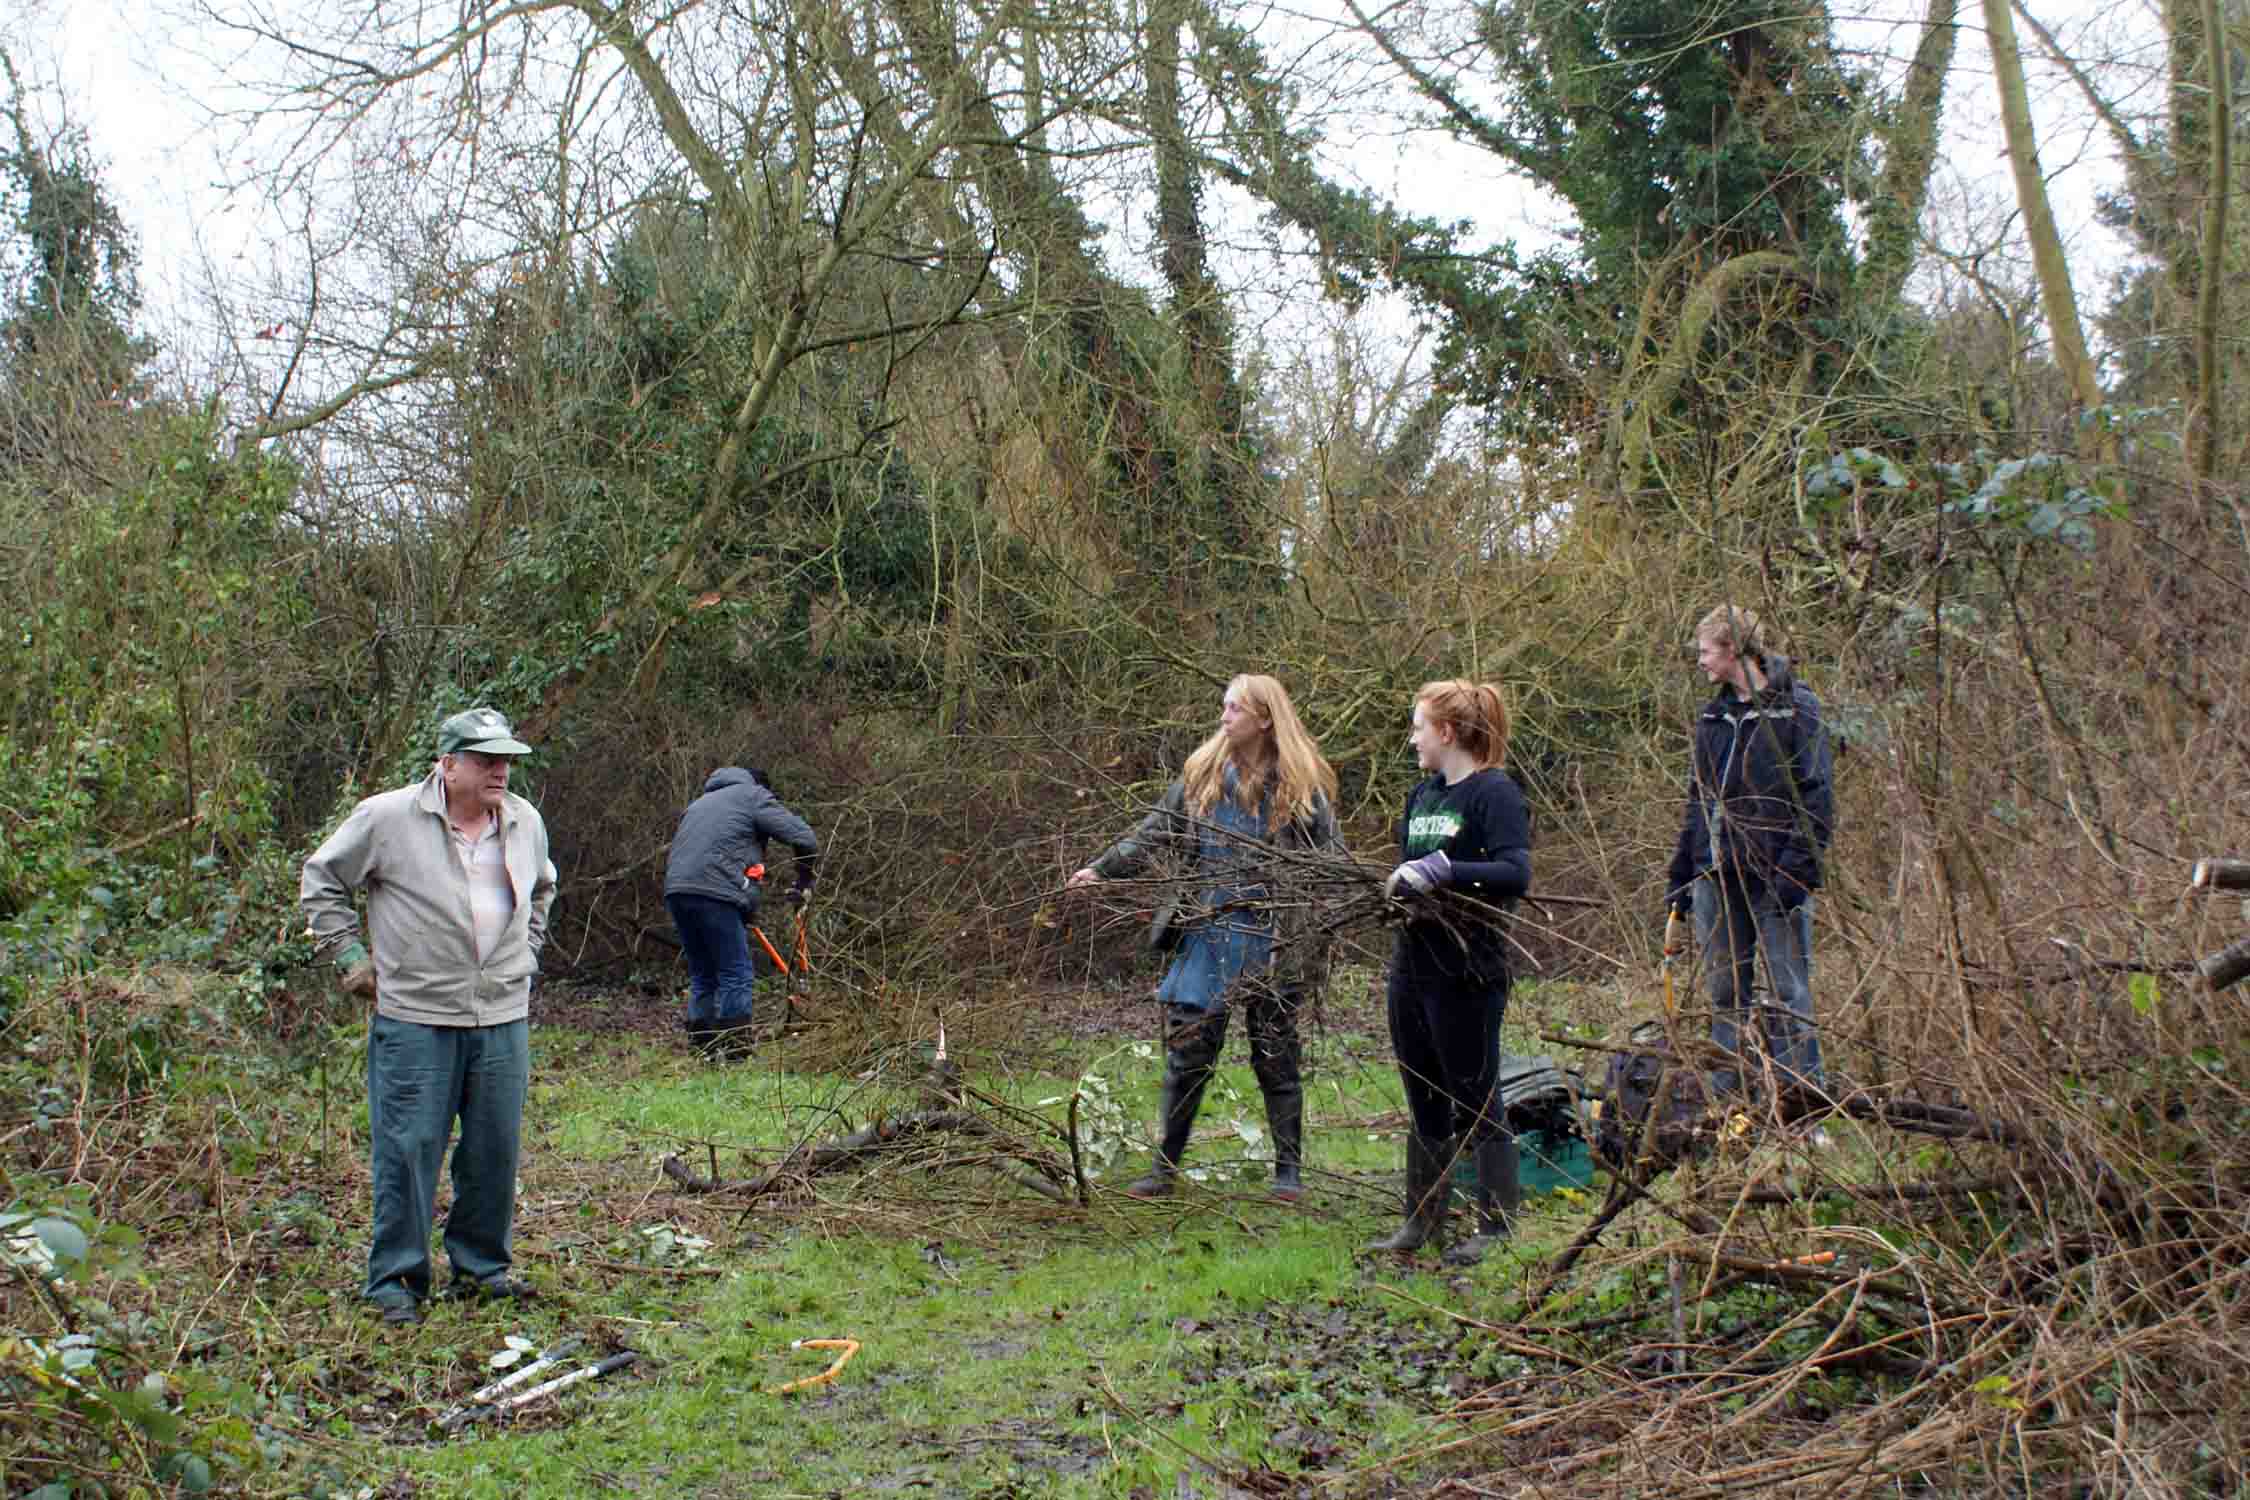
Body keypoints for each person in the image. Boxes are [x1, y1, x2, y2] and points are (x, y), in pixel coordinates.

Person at [301, 706, 557, 1329]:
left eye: (507, 760)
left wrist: (527, 951)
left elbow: (544, 887)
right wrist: (352, 958)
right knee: (409, 1149)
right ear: (448, 764)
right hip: (416, 1016)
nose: (501, 770)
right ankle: (395, 1279)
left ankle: (481, 1269)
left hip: (501, 1014)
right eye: (486, 759)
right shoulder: (387, 817)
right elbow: (322, 879)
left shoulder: (525, 821)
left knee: (495, 1149)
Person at [1068, 674, 1342, 1203]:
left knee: (1276, 1055)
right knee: (1188, 1055)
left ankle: (1288, 1175)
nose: (1223, 717)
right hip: (1208, 933)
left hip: (1274, 937)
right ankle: (1163, 1170)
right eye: (1224, 707)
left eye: (1234, 709)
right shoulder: (1201, 778)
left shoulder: (1300, 789)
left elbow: (1330, 863)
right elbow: (1154, 833)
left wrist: (1325, 916)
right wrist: (1102, 869)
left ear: (1264, 718)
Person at [1366, 680, 1533, 1265]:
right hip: (1412, 964)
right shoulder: (1423, 796)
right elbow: (1406, 869)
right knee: (1423, 1095)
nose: (1411, 738)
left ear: (1447, 731)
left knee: (1476, 1093)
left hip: (1469, 971)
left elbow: (1514, 873)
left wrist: (1444, 869)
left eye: (1418, 727)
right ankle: (1422, 1220)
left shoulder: (1495, 794)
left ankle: (1497, 1225)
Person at [1664, 604, 1835, 1111]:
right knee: (1724, 992)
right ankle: (1728, 1104)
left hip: (1776, 875)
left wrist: (1795, 874)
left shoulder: (1796, 708)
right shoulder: (1713, 716)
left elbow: (1817, 796)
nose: (1700, 662)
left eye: (1706, 651)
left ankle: (1802, 1105)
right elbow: (1698, 797)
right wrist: (1682, 871)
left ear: (1735, 649)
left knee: (1788, 992)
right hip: (1716, 874)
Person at [662, 765, 820, 1053]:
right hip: (716, 890)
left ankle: (703, 1049)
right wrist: (804, 881)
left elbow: (717, 850)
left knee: (702, 973)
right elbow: (804, 837)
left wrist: (745, 901)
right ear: (761, 787)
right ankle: (735, 1049)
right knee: (736, 972)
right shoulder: (752, 795)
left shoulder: (699, 803)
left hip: (677, 890)